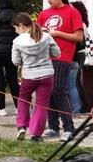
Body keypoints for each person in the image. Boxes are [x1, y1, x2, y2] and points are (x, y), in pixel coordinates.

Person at [37, 0, 83, 142]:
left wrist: (57, 33)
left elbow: (78, 37)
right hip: (45, 57)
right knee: (48, 90)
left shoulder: (73, 12)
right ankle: (53, 127)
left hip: (63, 56)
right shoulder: (43, 14)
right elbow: (36, 37)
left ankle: (69, 128)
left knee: (59, 89)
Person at [11, 13, 60, 142]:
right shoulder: (46, 36)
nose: (16, 31)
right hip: (47, 75)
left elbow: (15, 62)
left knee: (23, 100)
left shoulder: (17, 41)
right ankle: (35, 134)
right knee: (42, 105)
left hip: (29, 76)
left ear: (21, 26)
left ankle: (21, 126)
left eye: (16, 28)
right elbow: (56, 53)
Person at [69, 1, 90, 113]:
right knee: (76, 82)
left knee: (73, 83)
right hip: (79, 54)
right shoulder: (82, 24)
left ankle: (78, 108)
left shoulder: (80, 24)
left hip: (76, 54)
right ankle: (83, 106)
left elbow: (78, 41)